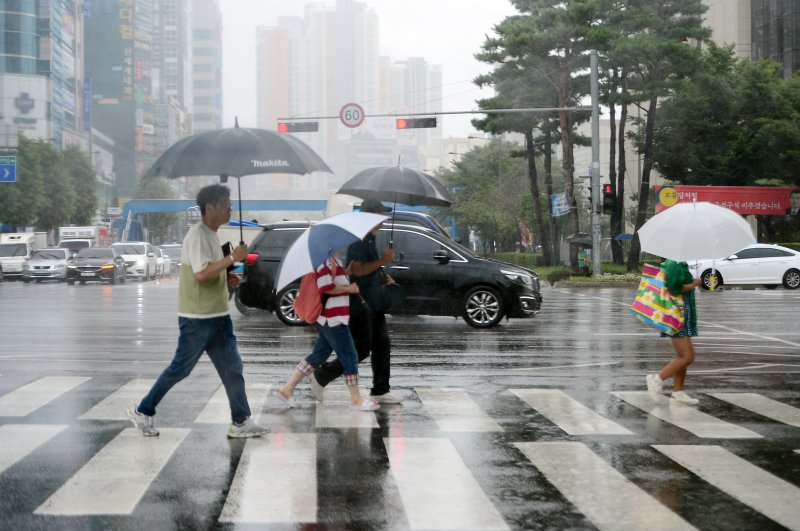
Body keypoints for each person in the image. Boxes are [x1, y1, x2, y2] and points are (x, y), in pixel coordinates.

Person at [127, 184, 267, 438]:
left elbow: (211, 271)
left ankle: (240, 421)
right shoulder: (197, 235)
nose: (229, 208)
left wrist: (228, 279)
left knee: (233, 368)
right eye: (226, 204)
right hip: (198, 319)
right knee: (180, 369)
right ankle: (142, 410)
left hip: (218, 317)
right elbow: (201, 273)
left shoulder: (212, 234)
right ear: (210, 207)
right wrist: (233, 258)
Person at [309, 198, 402, 404]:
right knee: (360, 349)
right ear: (370, 215)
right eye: (381, 215)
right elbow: (358, 270)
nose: (384, 220)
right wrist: (383, 261)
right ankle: (322, 375)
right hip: (361, 303)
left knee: (382, 344)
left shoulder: (368, 238)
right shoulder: (360, 239)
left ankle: (380, 389)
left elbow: (368, 268)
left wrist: (383, 274)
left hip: (373, 301)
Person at [273, 253, 380, 411]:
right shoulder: (323, 260)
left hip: (332, 318)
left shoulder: (332, 260)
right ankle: (356, 400)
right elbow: (325, 287)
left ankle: (286, 389)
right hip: (333, 318)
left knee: (318, 356)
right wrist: (349, 288)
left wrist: (347, 271)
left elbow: (332, 281)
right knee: (350, 356)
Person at [645, 259, 703, 405]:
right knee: (688, 357)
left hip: (682, 315)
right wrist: (694, 284)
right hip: (678, 316)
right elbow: (674, 288)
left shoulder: (680, 263)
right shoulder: (674, 263)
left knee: (682, 357)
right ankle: (656, 378)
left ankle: (678, 392)